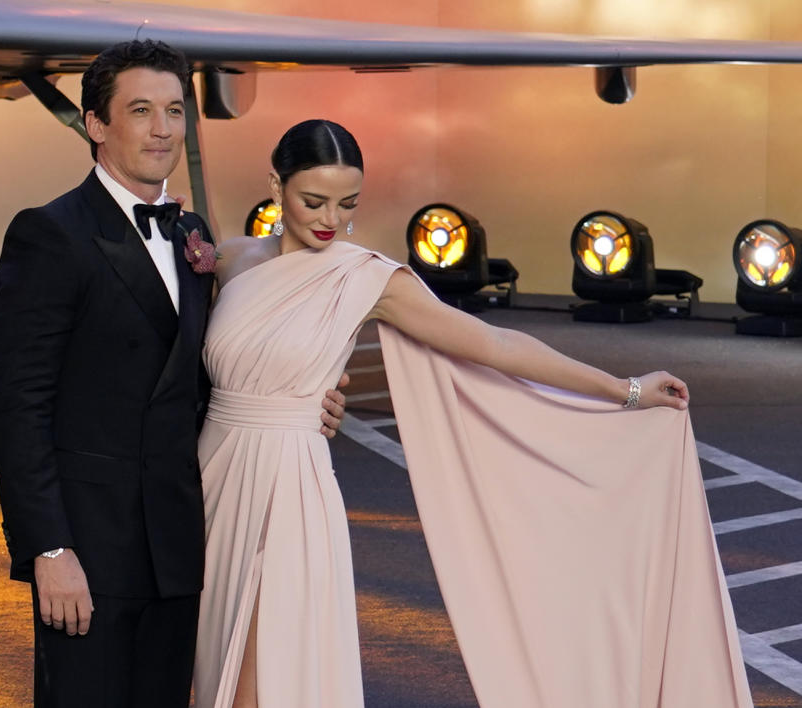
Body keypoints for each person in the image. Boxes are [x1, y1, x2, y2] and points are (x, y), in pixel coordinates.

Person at [193, 119, 753, 708]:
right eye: (313, 201)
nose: (330, 219)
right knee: (199, 664)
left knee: (264, 676)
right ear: (275, 184)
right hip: (209, 480)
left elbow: (494, 344)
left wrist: (624, 389)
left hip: (290, 492)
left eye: (348, 202)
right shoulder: (230, 261)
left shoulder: (367, 277)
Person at [0, 43, 346, 708]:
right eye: (142, 110)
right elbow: (17, 407)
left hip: (180, 548)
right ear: (96, 124)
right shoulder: (50, 234)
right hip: (90, 552)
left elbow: (203, 380)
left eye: (175, 111)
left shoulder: (190, 234)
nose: (163, 129)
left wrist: (297, 402)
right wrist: (50, 551)